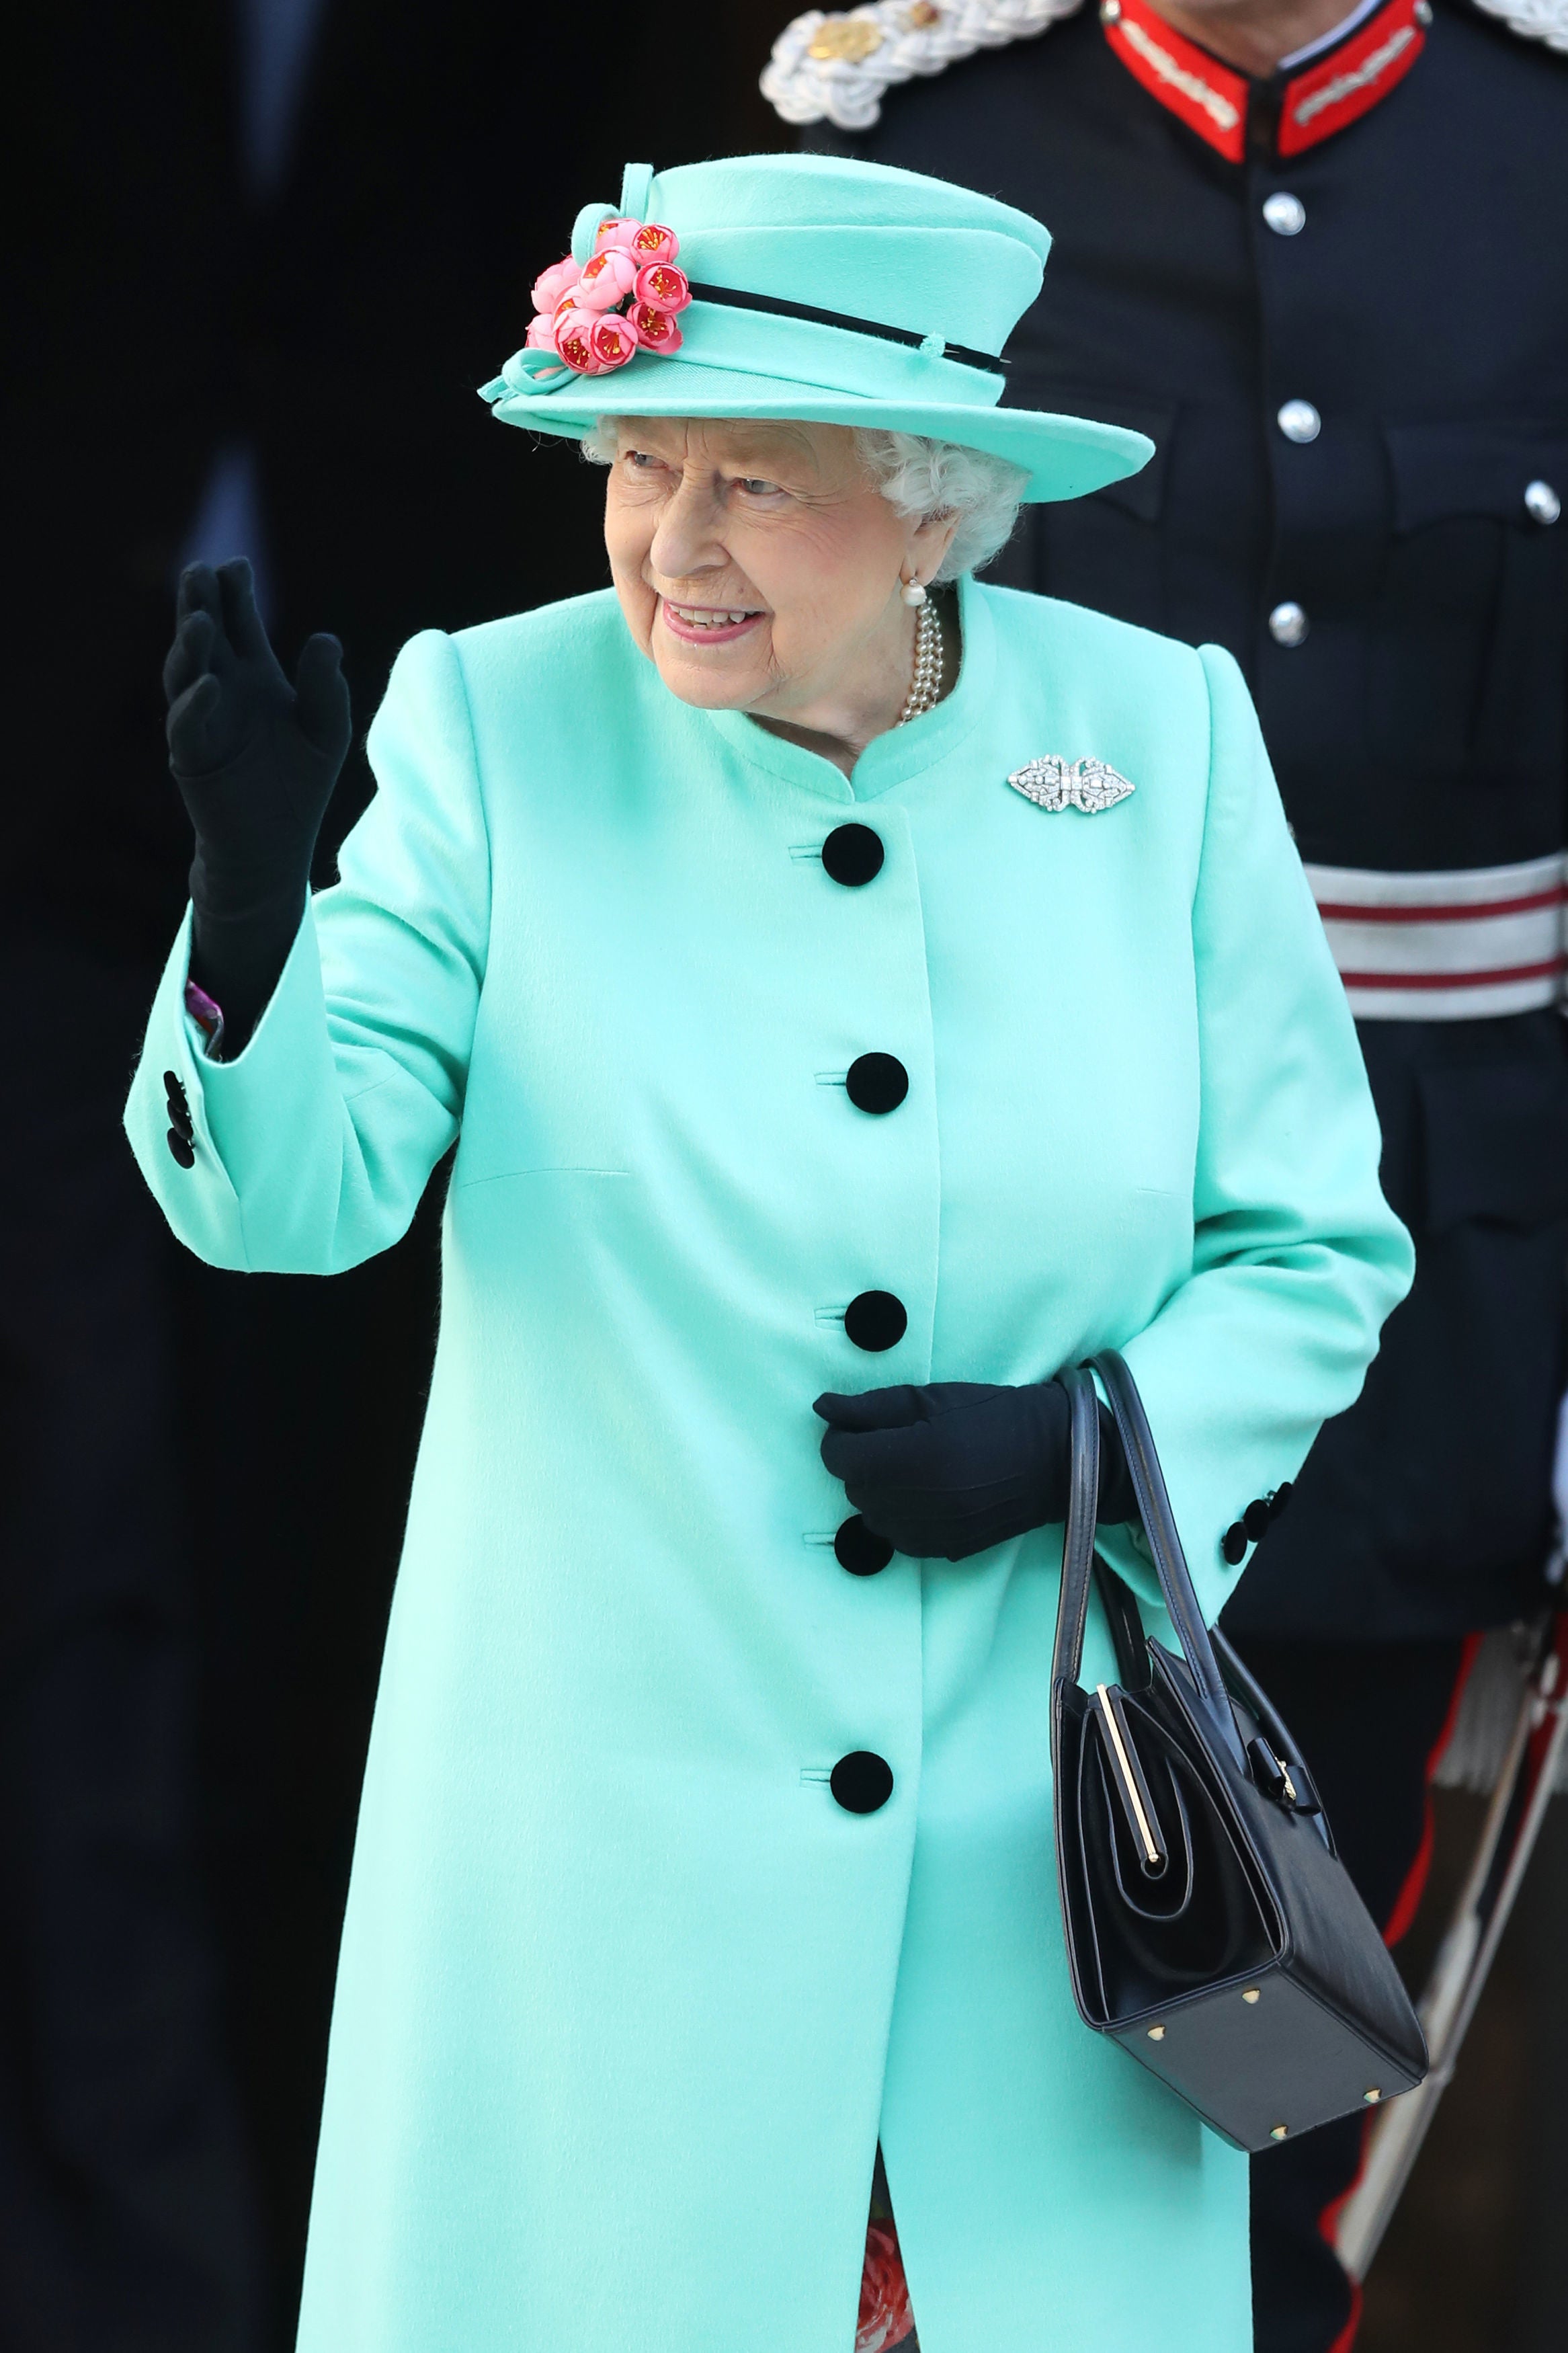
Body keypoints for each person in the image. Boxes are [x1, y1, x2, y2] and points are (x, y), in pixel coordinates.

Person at [124, 151, 1411, 2353]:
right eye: (639, 467)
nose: (674, 546)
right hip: (599, 1894)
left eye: (754, 482)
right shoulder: (497, 726)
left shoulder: (1161, 737)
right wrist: (250, 935)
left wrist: (1092, 1440)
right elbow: (293, 1197)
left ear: (938, 505)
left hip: (1044, 1887)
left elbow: (1314, 1249)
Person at [763, 3, 1568, 2345]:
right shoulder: (908, 152)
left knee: (1261, 2097)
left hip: (1433, 1326)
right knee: (900, 2161)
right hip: (971, 1288)